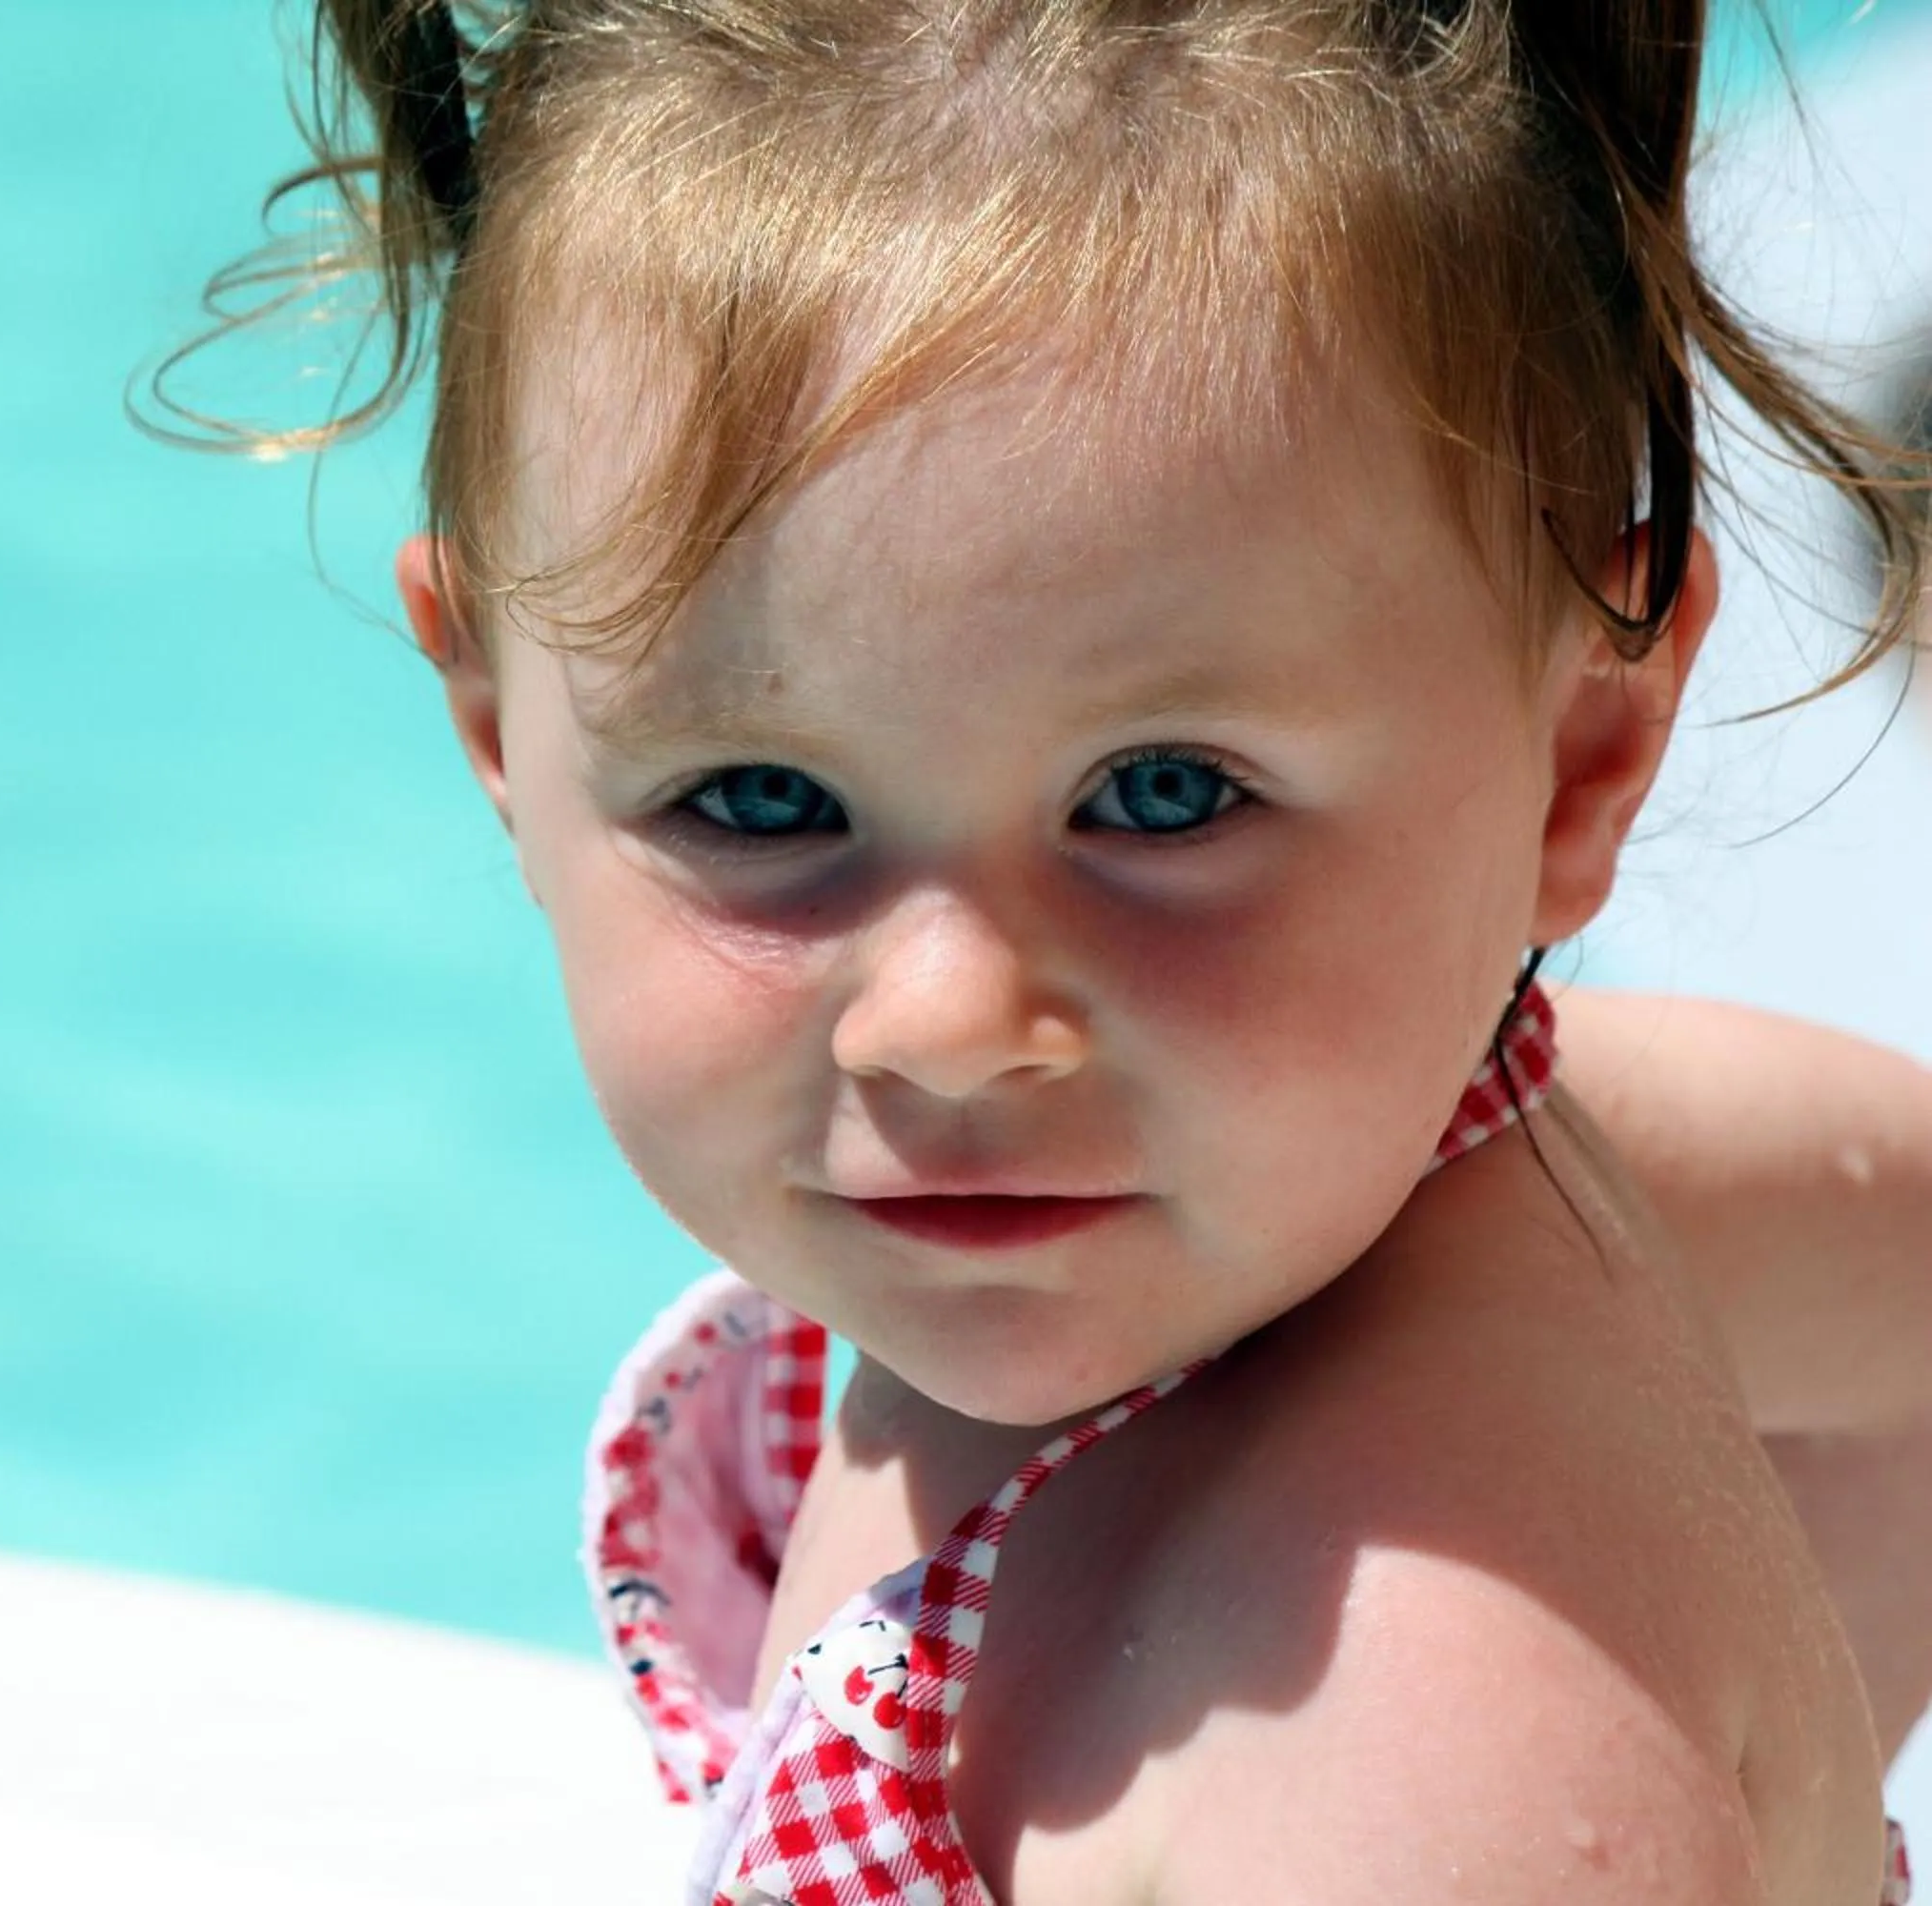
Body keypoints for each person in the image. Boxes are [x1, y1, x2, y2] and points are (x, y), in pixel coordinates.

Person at [155, 2, 1930, 1897]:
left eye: (1163, 795)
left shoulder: (1411, 1745)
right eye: (760, 802)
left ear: (1583, 752)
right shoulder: (1507, 1158)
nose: (944, 1022)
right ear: (504, 734)